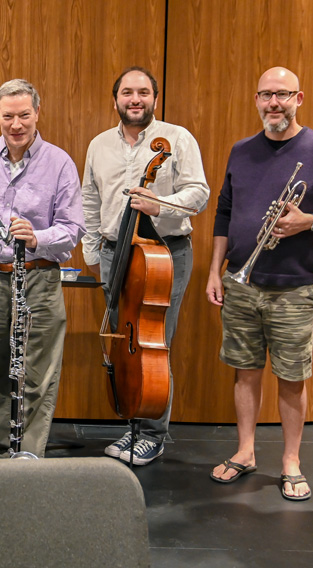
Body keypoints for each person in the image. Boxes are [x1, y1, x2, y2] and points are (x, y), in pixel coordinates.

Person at [204, 67, 313, 500]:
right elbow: (225, 213)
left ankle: (290, 461)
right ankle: (246, 451)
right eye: (266, 95)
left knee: (291, 377)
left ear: (298, 97)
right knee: (244, 372)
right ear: (256, 99)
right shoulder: (241, 150)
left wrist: (310, 221)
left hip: (293, 286)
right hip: (241, 281)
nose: (274, 104)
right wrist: (216, 269)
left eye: (282, 95)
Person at [81, 66, 209, 465]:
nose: (134, 100)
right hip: (113, 252)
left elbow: (200, 193)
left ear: (155, 97)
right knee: (126, 343)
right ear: (115, 98)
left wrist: (162, 205)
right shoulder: (99, 144)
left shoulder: (177, 138)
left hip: (163, 253)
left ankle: (153, 432)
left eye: (143, 92)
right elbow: (89, 201)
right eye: (126, 93)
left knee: (153, 343)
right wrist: (90, 253)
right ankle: (132, 425)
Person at [0, 79, 82, 458]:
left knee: (38, 369)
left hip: (40, 277)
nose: (16, 124)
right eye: (8, 116)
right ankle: (1, 450)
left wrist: (37, 237)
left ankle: (28, 455)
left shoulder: (59, 162)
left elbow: (73, 229)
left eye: (24, 115)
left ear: (37, 113)